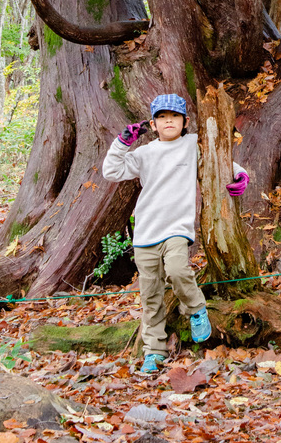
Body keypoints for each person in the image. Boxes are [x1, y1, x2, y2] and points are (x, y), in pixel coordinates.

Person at [102, 93, 249, 374]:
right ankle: (154, 351)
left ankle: (196, 309)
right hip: (145, 232)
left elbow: (217, 158)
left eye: (174, 116)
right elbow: (111, 171)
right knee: (150, 294)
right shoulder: (145, 153)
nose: (168, 120)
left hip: (177, 229)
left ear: (185, 122)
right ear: (153, 125)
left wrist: (239, 174)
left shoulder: (192, 145)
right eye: (162, 117)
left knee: (179, 270)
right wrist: (122, 143)